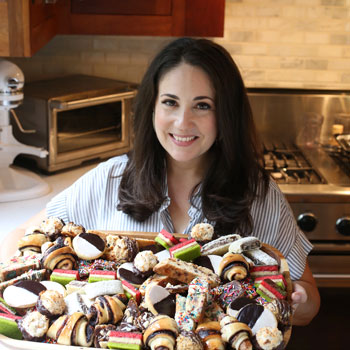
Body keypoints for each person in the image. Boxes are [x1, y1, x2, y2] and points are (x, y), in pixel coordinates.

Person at [28, 38, 320, 325]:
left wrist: (298, 300)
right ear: (152, 108)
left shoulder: (258, 194)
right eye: (170, 102)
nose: (182, 122)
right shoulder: (107, 181)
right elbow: (24, 242)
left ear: (227, 114)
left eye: (202, 105)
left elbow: (307, 301)